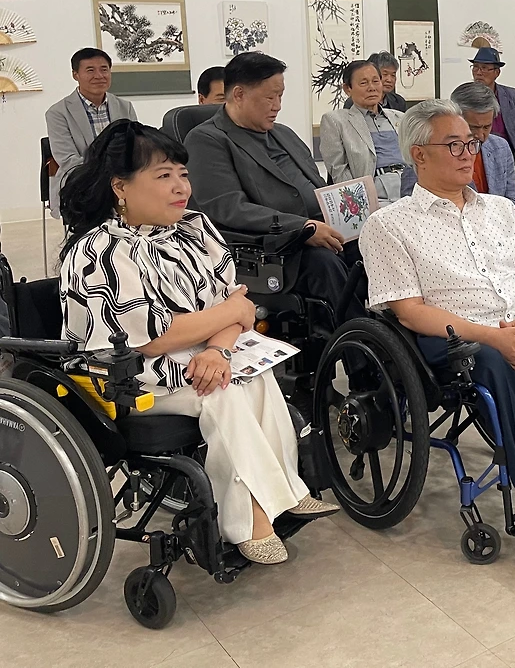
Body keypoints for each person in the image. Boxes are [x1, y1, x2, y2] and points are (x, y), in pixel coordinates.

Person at [59, 121, 338, 564]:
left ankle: (281, 491)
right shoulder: (101, 251)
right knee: (221, 390)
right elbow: (153, 338)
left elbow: (238, 306)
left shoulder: (193, 228)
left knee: (253, 373)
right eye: (163, 175)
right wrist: (229, 317)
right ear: (120, 187)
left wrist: (218, 349)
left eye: (183, 174)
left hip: (200, 355)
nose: (181, 187)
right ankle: (251, 518)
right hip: (124, 377)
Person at [359, 99, 515, 561]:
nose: (468, 153)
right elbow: (409, 312)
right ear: (419, 154)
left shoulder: (500, 209)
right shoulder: (389, 225)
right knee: (492, 359)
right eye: (454, 145)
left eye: (471, 143)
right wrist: (492, 336)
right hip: (448, 341)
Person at [185, 52, 355, 325]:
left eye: (280, 96)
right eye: (269, 97)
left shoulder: (283, 133)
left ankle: (400, 331)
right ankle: (361, 342)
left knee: (378, 245)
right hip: (274, 251)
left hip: (322, 229)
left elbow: (316, 186)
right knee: (326, 264)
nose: (277, 105)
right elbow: (229, 208)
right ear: (239, 94)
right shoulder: (207, 140)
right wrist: (302, 227)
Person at [45, 48, 139, 219]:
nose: (99, 76)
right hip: (82, 183)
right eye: (90, 70)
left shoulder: (125, 107)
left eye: (104, 69)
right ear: (75, 75)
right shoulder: (58, 113)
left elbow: (135, 147)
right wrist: (107, 177)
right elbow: (68, 160)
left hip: (122, 180)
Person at [320, 60, 412, 204]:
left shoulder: (400, 117)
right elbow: (339, 170)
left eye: (376, 81)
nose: (372, 88)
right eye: (364, 83)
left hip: (411, 186)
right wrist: (360, 203)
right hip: (375, 194)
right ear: (347, 89)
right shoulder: (336, 121)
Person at [471, 47, 515, 204]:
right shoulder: (466, 96)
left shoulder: (511, 95)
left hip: (511, 152)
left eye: (484, 68)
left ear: (497, 72)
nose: (479, 72)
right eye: (475, 67)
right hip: (479, 152)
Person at [450, 81, 515, 210]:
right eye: (473, 127)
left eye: (487, 127)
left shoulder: (500, 147)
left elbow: (514, 203)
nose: (480, 135)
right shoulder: (437, 151)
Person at [342, 51, 408, 112]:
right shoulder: (353, 102)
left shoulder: (399, 101)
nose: (389, 80)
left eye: (393, 75)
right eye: (385, 74)